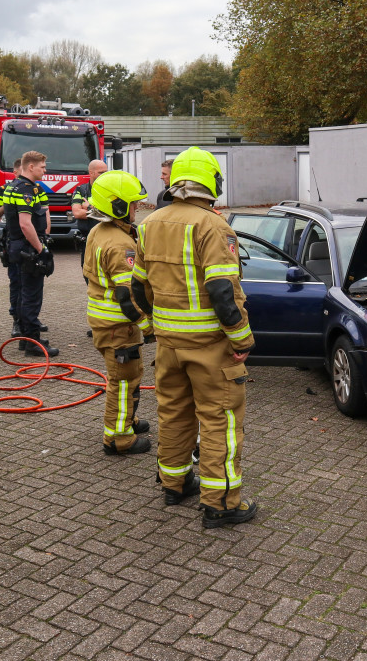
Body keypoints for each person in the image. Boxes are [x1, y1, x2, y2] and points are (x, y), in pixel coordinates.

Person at [131, 147, 258, 527]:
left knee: (173, 413)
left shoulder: (150, 223)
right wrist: (242, 341)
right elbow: (222, 290)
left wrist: (154, 324)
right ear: (211, 183)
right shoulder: (213, 226)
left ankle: (174, 483)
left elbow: (138, 289)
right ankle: (221, 504)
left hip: (169, 346)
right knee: (219, 420)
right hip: (209, 348)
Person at [83, 171, 154, 455]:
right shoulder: (119, 244)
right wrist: (149, 327)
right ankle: (118, 438)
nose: (137, 208)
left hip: (107, 322)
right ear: (117, 205)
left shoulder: (99, 231)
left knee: (130, 373)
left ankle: (128, 419)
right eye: (133, 203)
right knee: (123, 381)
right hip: (118, 325)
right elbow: (128, 296)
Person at [3, 151, 58, 357]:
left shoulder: (15, 186)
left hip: (18, 247)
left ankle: (27, 339)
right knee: (31, 296)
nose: (45, 170)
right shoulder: (25, 189)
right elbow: (25, 224)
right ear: (31, 167)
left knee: (24, 293)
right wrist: (41, 249)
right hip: (27, 248)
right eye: (43, 167)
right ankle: (32, 342)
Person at [71, 159, 109, 268]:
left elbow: (111, 213)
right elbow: (77, 212)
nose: (105, 175)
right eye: (101, 172)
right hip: (88, 239)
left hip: (106, 238)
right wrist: (101, 212)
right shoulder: (81, 190)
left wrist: (89, 207)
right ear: (91, 173)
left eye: (106, 172)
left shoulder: (110, 190)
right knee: (87, 272)